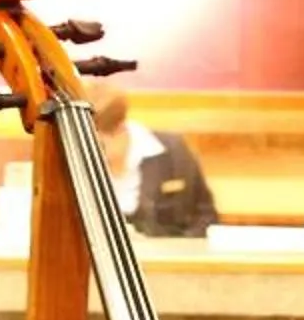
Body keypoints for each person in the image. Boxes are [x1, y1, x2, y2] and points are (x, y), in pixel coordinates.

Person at [91, 90, 218, 239]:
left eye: (99, 144)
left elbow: (205, 217)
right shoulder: (68, 158)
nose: (90, 152)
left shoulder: (173, 152)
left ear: (120, 129)